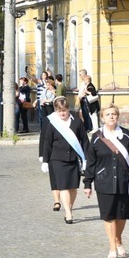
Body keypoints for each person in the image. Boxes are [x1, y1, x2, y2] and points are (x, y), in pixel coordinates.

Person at [83, 104, 129, 258]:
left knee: (122, 215)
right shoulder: (96, 137)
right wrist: (87, 183)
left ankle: (118, 239)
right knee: (109, 215)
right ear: (102, 118)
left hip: (125, 181)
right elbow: (91, 162)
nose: (111, 116)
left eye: (114, 114)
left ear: (118, 116)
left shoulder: (127, 135)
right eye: (108, 114)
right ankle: (112, 247)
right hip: (104, 181)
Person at [39, 96, 88, 224]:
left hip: (73, 159)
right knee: (64, 187)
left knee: (73, 188)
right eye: (59, 111)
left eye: (64, 110)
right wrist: (45, 160)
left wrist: (86, 159)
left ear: (68, 110)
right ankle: (68, 213)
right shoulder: (53, 124)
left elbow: (85, 141)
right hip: (57, 160)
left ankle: (69, 207)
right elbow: (47, 143)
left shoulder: (77, 122)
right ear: (56, 111)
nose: (62, 113)